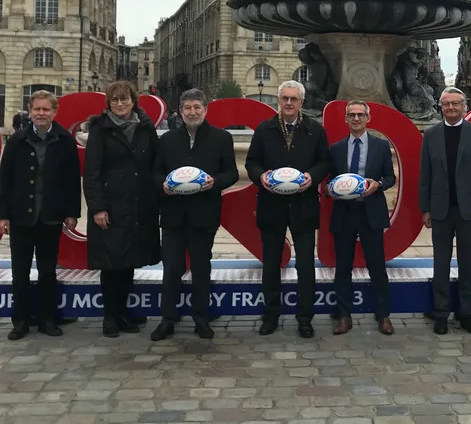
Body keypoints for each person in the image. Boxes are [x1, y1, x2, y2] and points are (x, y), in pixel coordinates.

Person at [150, 89, 239, 341]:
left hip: (204, 214)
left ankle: (201, 318)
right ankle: (168, 319)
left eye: (197, 107)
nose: (192, 112)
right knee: (171, 268)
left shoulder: (221, 138)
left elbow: (231, 173)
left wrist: (215, 182)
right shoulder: (167, 140)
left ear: (205, 109)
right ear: (180, 111)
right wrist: (163, 185)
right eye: (187, 107)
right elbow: (155, 173)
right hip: (173, 214)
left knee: (201, 267)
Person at [246, 80, 331, 338]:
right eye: (285, 98)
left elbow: (325, 162)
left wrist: (312, 177)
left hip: (303, 205)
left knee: (305, 265)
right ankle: (270, 315)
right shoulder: (264, 129)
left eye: (294, 99)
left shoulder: (315, 130)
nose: (289, 103)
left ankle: (305, 318)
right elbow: (251, 162)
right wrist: (261, 176)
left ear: (301, 102)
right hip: (271, 205)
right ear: (279, 101)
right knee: (271, 264)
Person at [0, 90, 81, 341]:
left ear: (54, 112)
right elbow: (5, 179)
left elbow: (72, 180)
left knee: (47, 271)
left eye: (46, 109)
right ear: (30, 111)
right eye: (37, 109)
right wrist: (2, 215)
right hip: (20, 216)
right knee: (19, 272)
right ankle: (20, 321)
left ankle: (47, 319)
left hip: (50, 216)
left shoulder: (64, 140)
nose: (41, 113)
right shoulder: (17, 140)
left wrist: (71, 212)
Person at [83, 81, 161, 337]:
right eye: (114, 100)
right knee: (111, 263)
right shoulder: (100, 129)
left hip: (138, 205)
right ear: (108, 103)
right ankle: (110, 317)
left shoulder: (145, 127)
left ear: (133, 100)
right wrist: (98, 208)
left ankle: (124, 314)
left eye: (124, 99)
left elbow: (153, 163)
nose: (119, 104)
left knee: (129, 261)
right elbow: (91, 172)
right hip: (112, 206)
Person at [420, 87, 471, 335]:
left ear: (464, 106)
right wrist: (425, 209)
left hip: (469, 212)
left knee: (466, 265)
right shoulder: (430, 135)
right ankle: (441, 313)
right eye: (446, 104)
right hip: (440, 210)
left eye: (455, 104)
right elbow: (425, 176)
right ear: (440, 107)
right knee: (440, 264)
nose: (451, 108)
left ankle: (466, 313)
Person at [328, 100, 396, 335]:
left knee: (377, 266)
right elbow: (328, 181)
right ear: (345, 119)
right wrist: (330, 189)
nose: (356, 119)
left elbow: (390, 177)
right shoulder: (336, 149)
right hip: (344, 214)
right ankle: (344, 316)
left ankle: (383, 316)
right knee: (343, 267)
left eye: (360, 115)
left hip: (371, 214)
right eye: (351, 115)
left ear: (368, 118)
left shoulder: (380, 146)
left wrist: (378, 184)